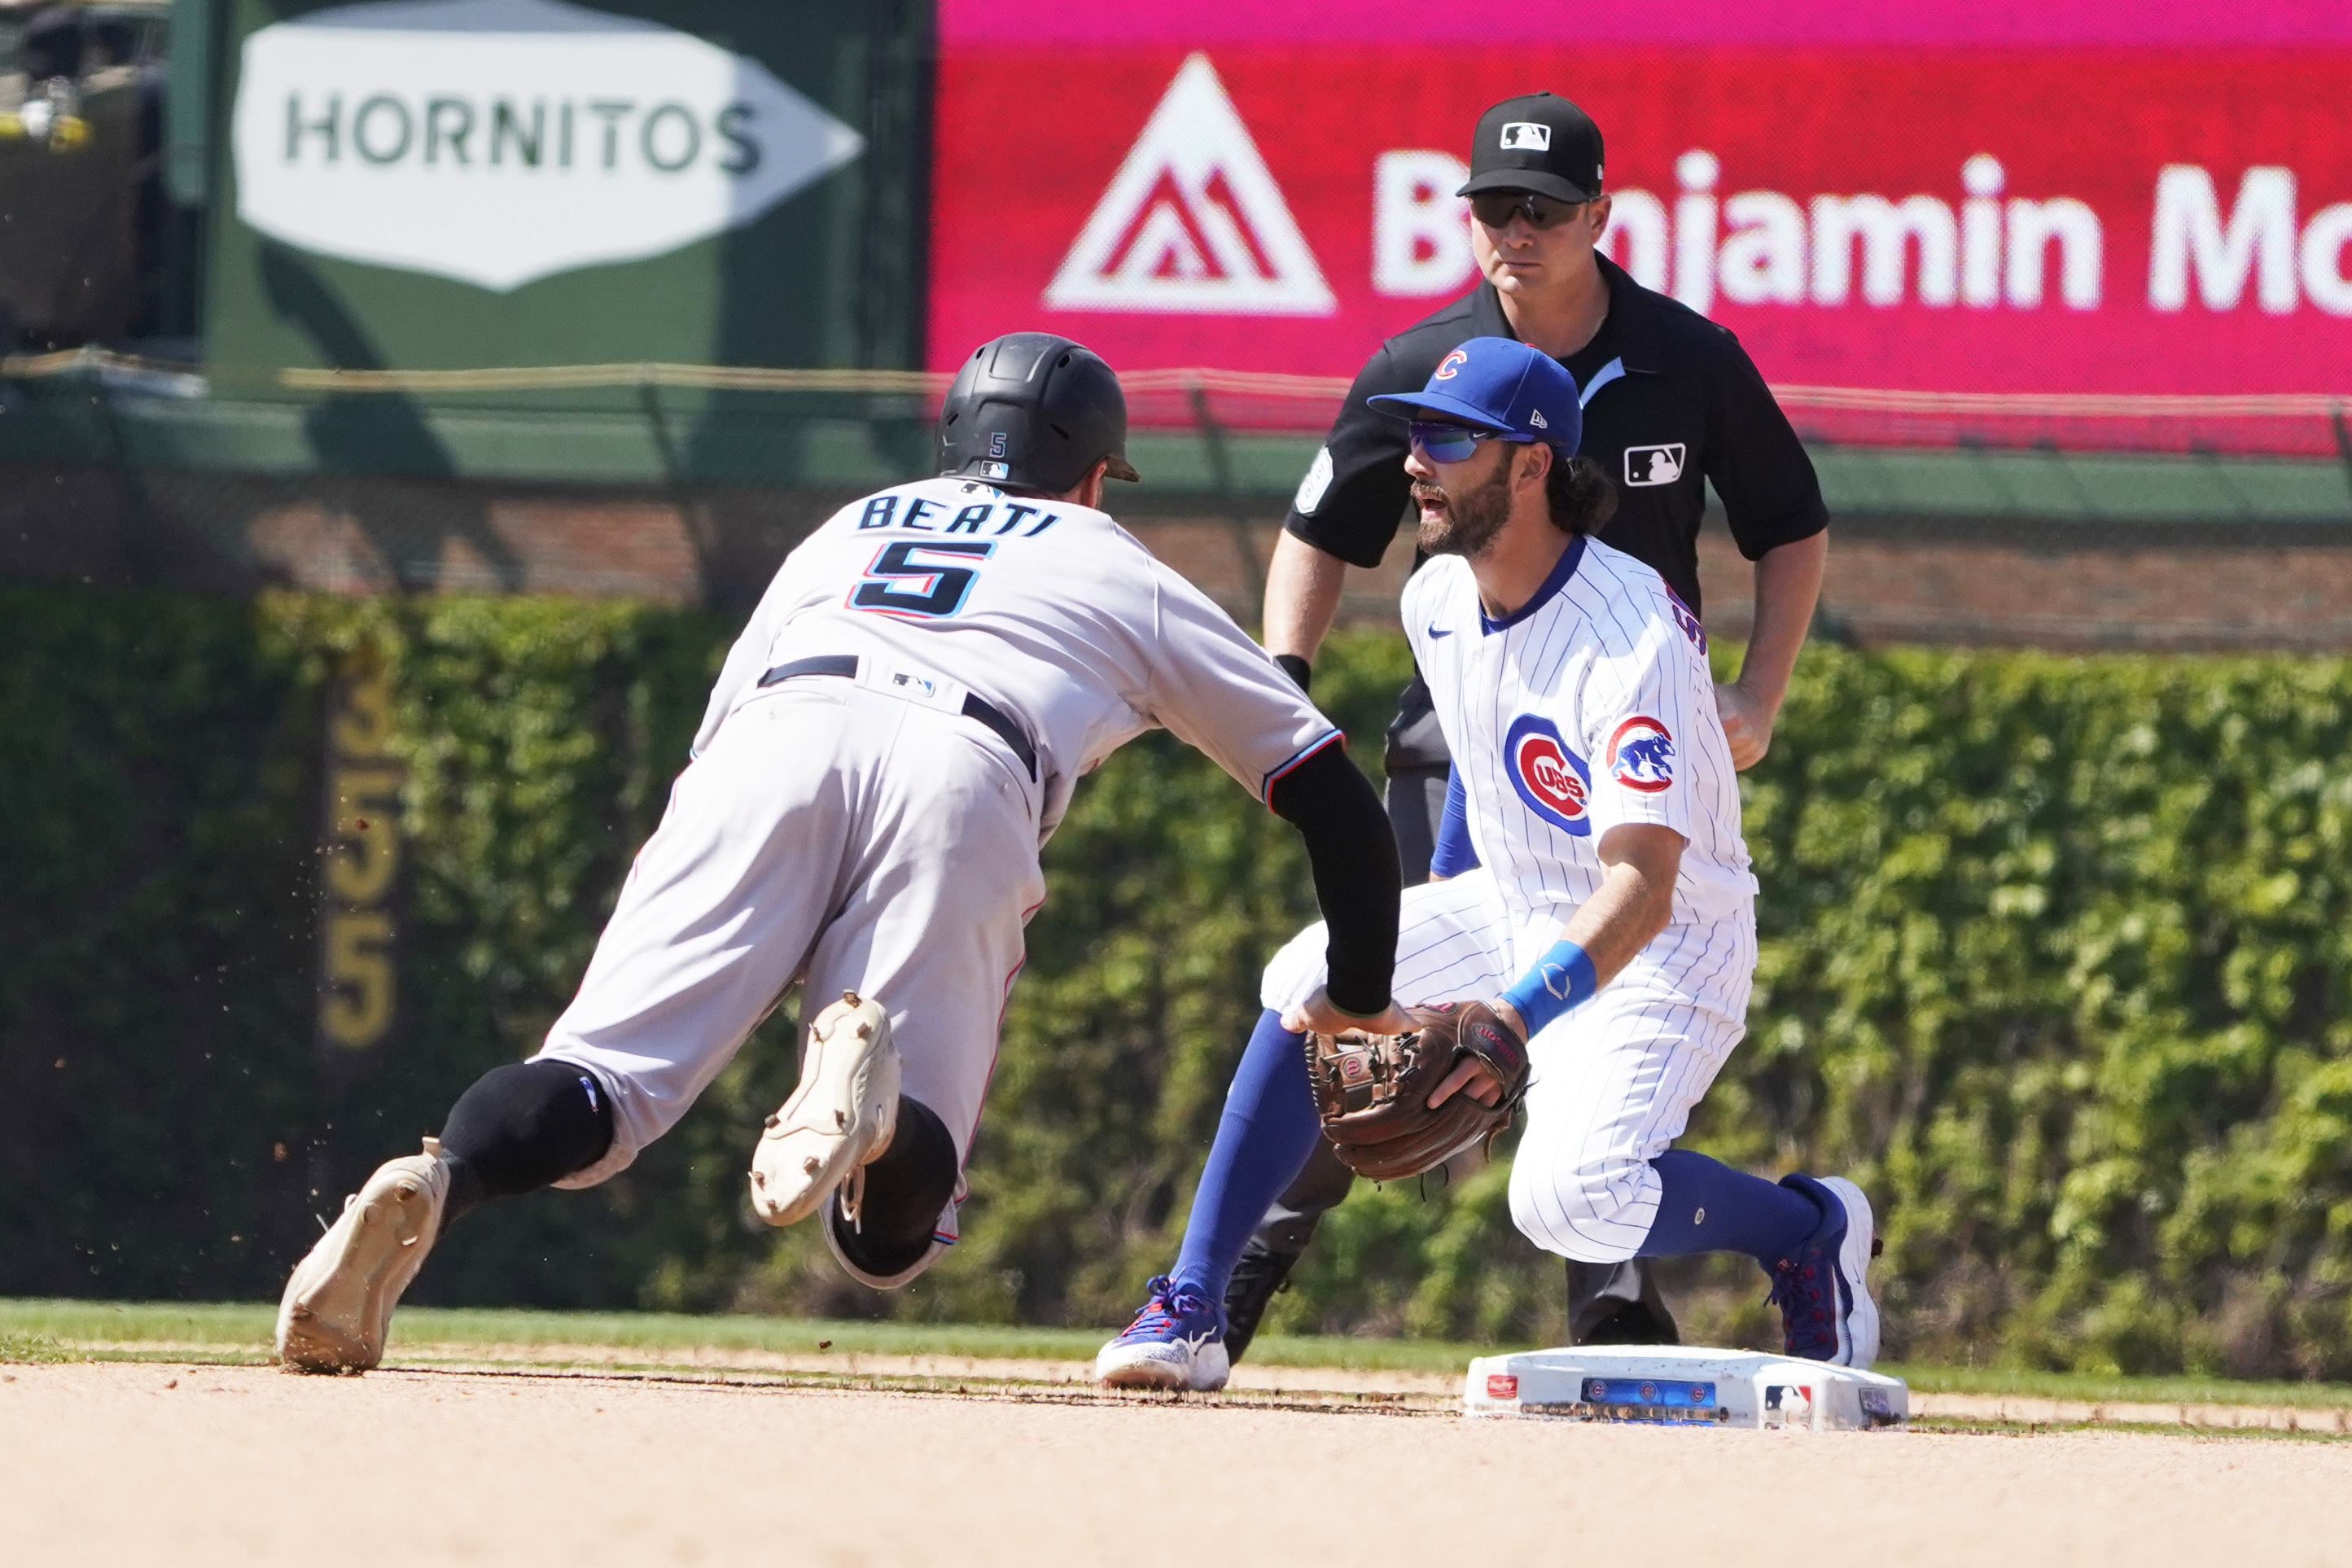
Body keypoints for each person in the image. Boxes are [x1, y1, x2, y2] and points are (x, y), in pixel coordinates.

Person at [274, 333, 1403, 1373]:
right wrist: (1356, 991)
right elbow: (1328, 795)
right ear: (1097, 472)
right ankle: (877, 1114)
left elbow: (717, 735)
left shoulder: (851, 524)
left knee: (600, 1082)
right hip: (965, 766)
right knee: (883, 1239)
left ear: (950, 442)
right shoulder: (1112, 560)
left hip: (775, 736)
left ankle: (441, 1175)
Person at [1096, 338, 1874, 1393]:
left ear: (1529, 466)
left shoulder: (1631, 636)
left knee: (1567, 1197)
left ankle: (1807, 1226)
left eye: (1449, 436)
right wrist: (1425, 941)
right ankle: (1188, 1303)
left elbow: (1641, 885)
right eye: (1416, 429)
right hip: (1511, 903)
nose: (1416, 459)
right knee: (1308, 978)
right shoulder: (1437, 598)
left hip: (1663, 943)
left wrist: (1510, 1011)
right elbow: (1480, 759)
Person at [1233, 90, 1831, 1357]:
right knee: (1355, 1029)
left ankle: (1612, 1300)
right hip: (1453, 746)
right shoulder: (1422, 370)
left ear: (1598, 216)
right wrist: (1280, 686)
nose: (1513, 229)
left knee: (1569, 1036)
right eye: (1491, 206)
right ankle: (1226, 1285)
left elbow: (1790, 525)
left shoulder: (1687, 355)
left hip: (1622, 735)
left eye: (1542, 208)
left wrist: (1760, 695)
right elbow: (1319, 534)